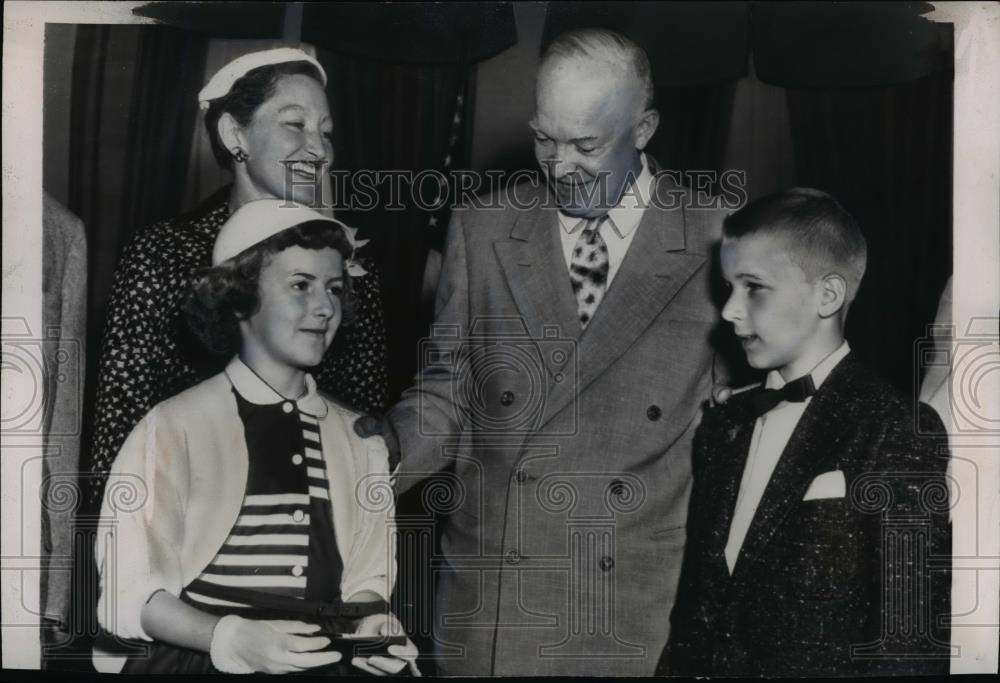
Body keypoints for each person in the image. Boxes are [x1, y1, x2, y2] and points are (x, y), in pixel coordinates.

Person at [363, 29, 730, 676]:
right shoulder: (483, 227)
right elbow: (447, 393)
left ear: (644, 128)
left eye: (587, 145)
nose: (560, 166)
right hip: (496, 608)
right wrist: (371, 456)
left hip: (635, 617)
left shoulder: (718, 237)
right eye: (544, 139)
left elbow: (740, 438)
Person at [95, 200, 418, 675]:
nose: (325, 306)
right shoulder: (171, 428)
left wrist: (372, 629)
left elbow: (366, 585)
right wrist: (229, 637)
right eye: (300, 286)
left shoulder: (360, 439)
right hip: (197, 660)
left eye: (333, 287)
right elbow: (132, 595)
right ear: (239, 297)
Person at [659, 188, 952, 676]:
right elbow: (694, 615)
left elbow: (910, 641)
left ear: (829, 295)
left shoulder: (897, 429)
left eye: (753, 287)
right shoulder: (723, 425)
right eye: (728, 287)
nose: (729, 310)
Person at [87, 47, 389, 509]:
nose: (319, 148)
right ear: (234, 134)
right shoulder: (163, 253)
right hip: (181, 519)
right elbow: (119, 426)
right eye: (296, 124)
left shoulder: (348, 263)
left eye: (326, 131)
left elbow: (362, 421)